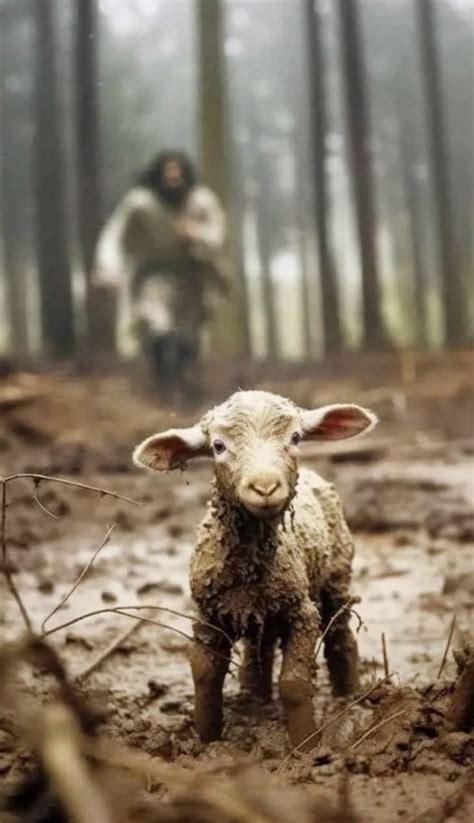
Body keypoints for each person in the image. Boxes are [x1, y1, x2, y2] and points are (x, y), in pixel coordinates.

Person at [93, 150, 228, 403]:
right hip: (153, 277)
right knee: (157, 327)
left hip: (192, 275)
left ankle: (184, 385)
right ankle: (162, 383)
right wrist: (108, 268)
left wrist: (195, 233)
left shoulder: (200, 201)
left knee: (188, 335)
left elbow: (217, 235)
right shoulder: (140, 203)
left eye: (178, 171)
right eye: (168, 171)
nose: (173, 177)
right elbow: (114, 235)